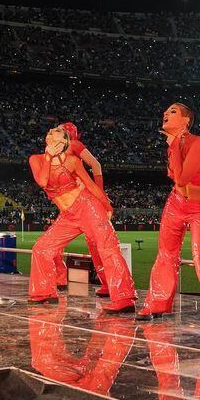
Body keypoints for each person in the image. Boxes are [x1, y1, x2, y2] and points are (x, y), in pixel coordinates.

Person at [137, 103, 200, 334]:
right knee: (166, 253)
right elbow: (175, 180)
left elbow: (180, 178)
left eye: (172, 111)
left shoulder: (198, 143)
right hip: (176, 204)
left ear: (186, 120)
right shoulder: (173, 145)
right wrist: (172, 147)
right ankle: (157, 303)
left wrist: (173, 145)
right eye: (166, 111)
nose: (165, 113)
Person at [26, 126, 137, 313]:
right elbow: (43, 181)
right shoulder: (36, 159)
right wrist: (48, 157)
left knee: (108, 248)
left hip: (88, 207)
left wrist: (107, 205)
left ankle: (124, 298)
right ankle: (44, 292)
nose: (51, 131)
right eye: (50, 130)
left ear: (64, 141)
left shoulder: (72, 161)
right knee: (42, 248)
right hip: (68, 216)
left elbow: (90, 185)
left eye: (56, 131)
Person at [52, 121, 112, 296]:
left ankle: (108, 284)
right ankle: (60, 277)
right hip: (71, 203)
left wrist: (99, 194)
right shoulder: (56, 152)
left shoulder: (74, 145)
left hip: (84, 202)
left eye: (59, 131)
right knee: (54, 243)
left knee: (96, 245)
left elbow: (96, 165)